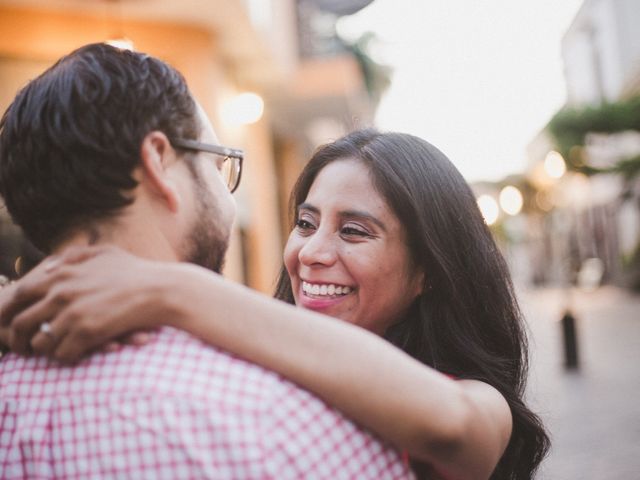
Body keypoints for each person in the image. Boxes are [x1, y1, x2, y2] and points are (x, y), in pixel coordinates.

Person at [1, 129, 550, 478]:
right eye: (305, 223)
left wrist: (173, 287)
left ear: (427, 271)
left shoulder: (476, 398)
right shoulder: (254, 365)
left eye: (354, 231)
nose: (311, 252)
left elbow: (454, 428)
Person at [0, 43, 415, 479]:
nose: (311, 252)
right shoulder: (292, 421)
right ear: (159, 160)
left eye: (353, 230)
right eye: (218, 164)